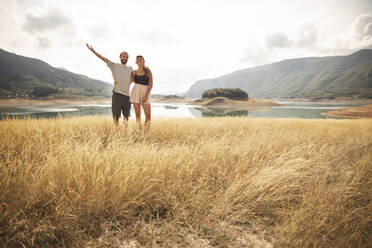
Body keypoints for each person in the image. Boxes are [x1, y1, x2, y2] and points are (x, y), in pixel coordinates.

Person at [86, 43, 133, 127]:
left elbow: (133, 79)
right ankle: (116, 132)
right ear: (120, 57)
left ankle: (125, 134)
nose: (125, 58)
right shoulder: (114, 65)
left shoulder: (130, 68)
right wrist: (93, 50)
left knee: (126, 116)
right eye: (123, 56)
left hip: (127, 96)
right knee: (116, 116)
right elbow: (102, 58)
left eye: (126, 57)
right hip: (117, 94)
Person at [130, 55, 153, 130]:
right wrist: (117, 82)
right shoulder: (134, 72)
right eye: (138, 59)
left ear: (143, 61)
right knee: (138, 115)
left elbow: (151, 84)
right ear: (136, 61)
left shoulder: (148, 71)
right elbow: (130, 82)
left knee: (148, 116)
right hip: (136, 91)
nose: (139, 60)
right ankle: (139, 131)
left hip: (145, 92)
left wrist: (146, 96)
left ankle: (146, 132)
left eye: (141, 59)